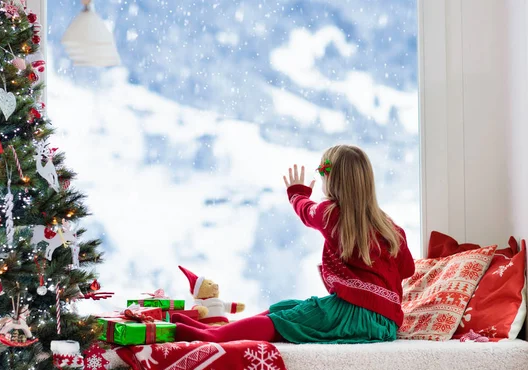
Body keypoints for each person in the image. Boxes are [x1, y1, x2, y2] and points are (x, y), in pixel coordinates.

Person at [173, 144, 415, 344]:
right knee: (286, 307)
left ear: (329, 179)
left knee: (284, 320)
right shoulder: (391, 229)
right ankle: (224, 329)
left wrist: (296, 194)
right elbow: (409, 269)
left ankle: (211, 336)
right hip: (386, 324)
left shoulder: (330, 214)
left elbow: (305, 211)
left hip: (351, 314)